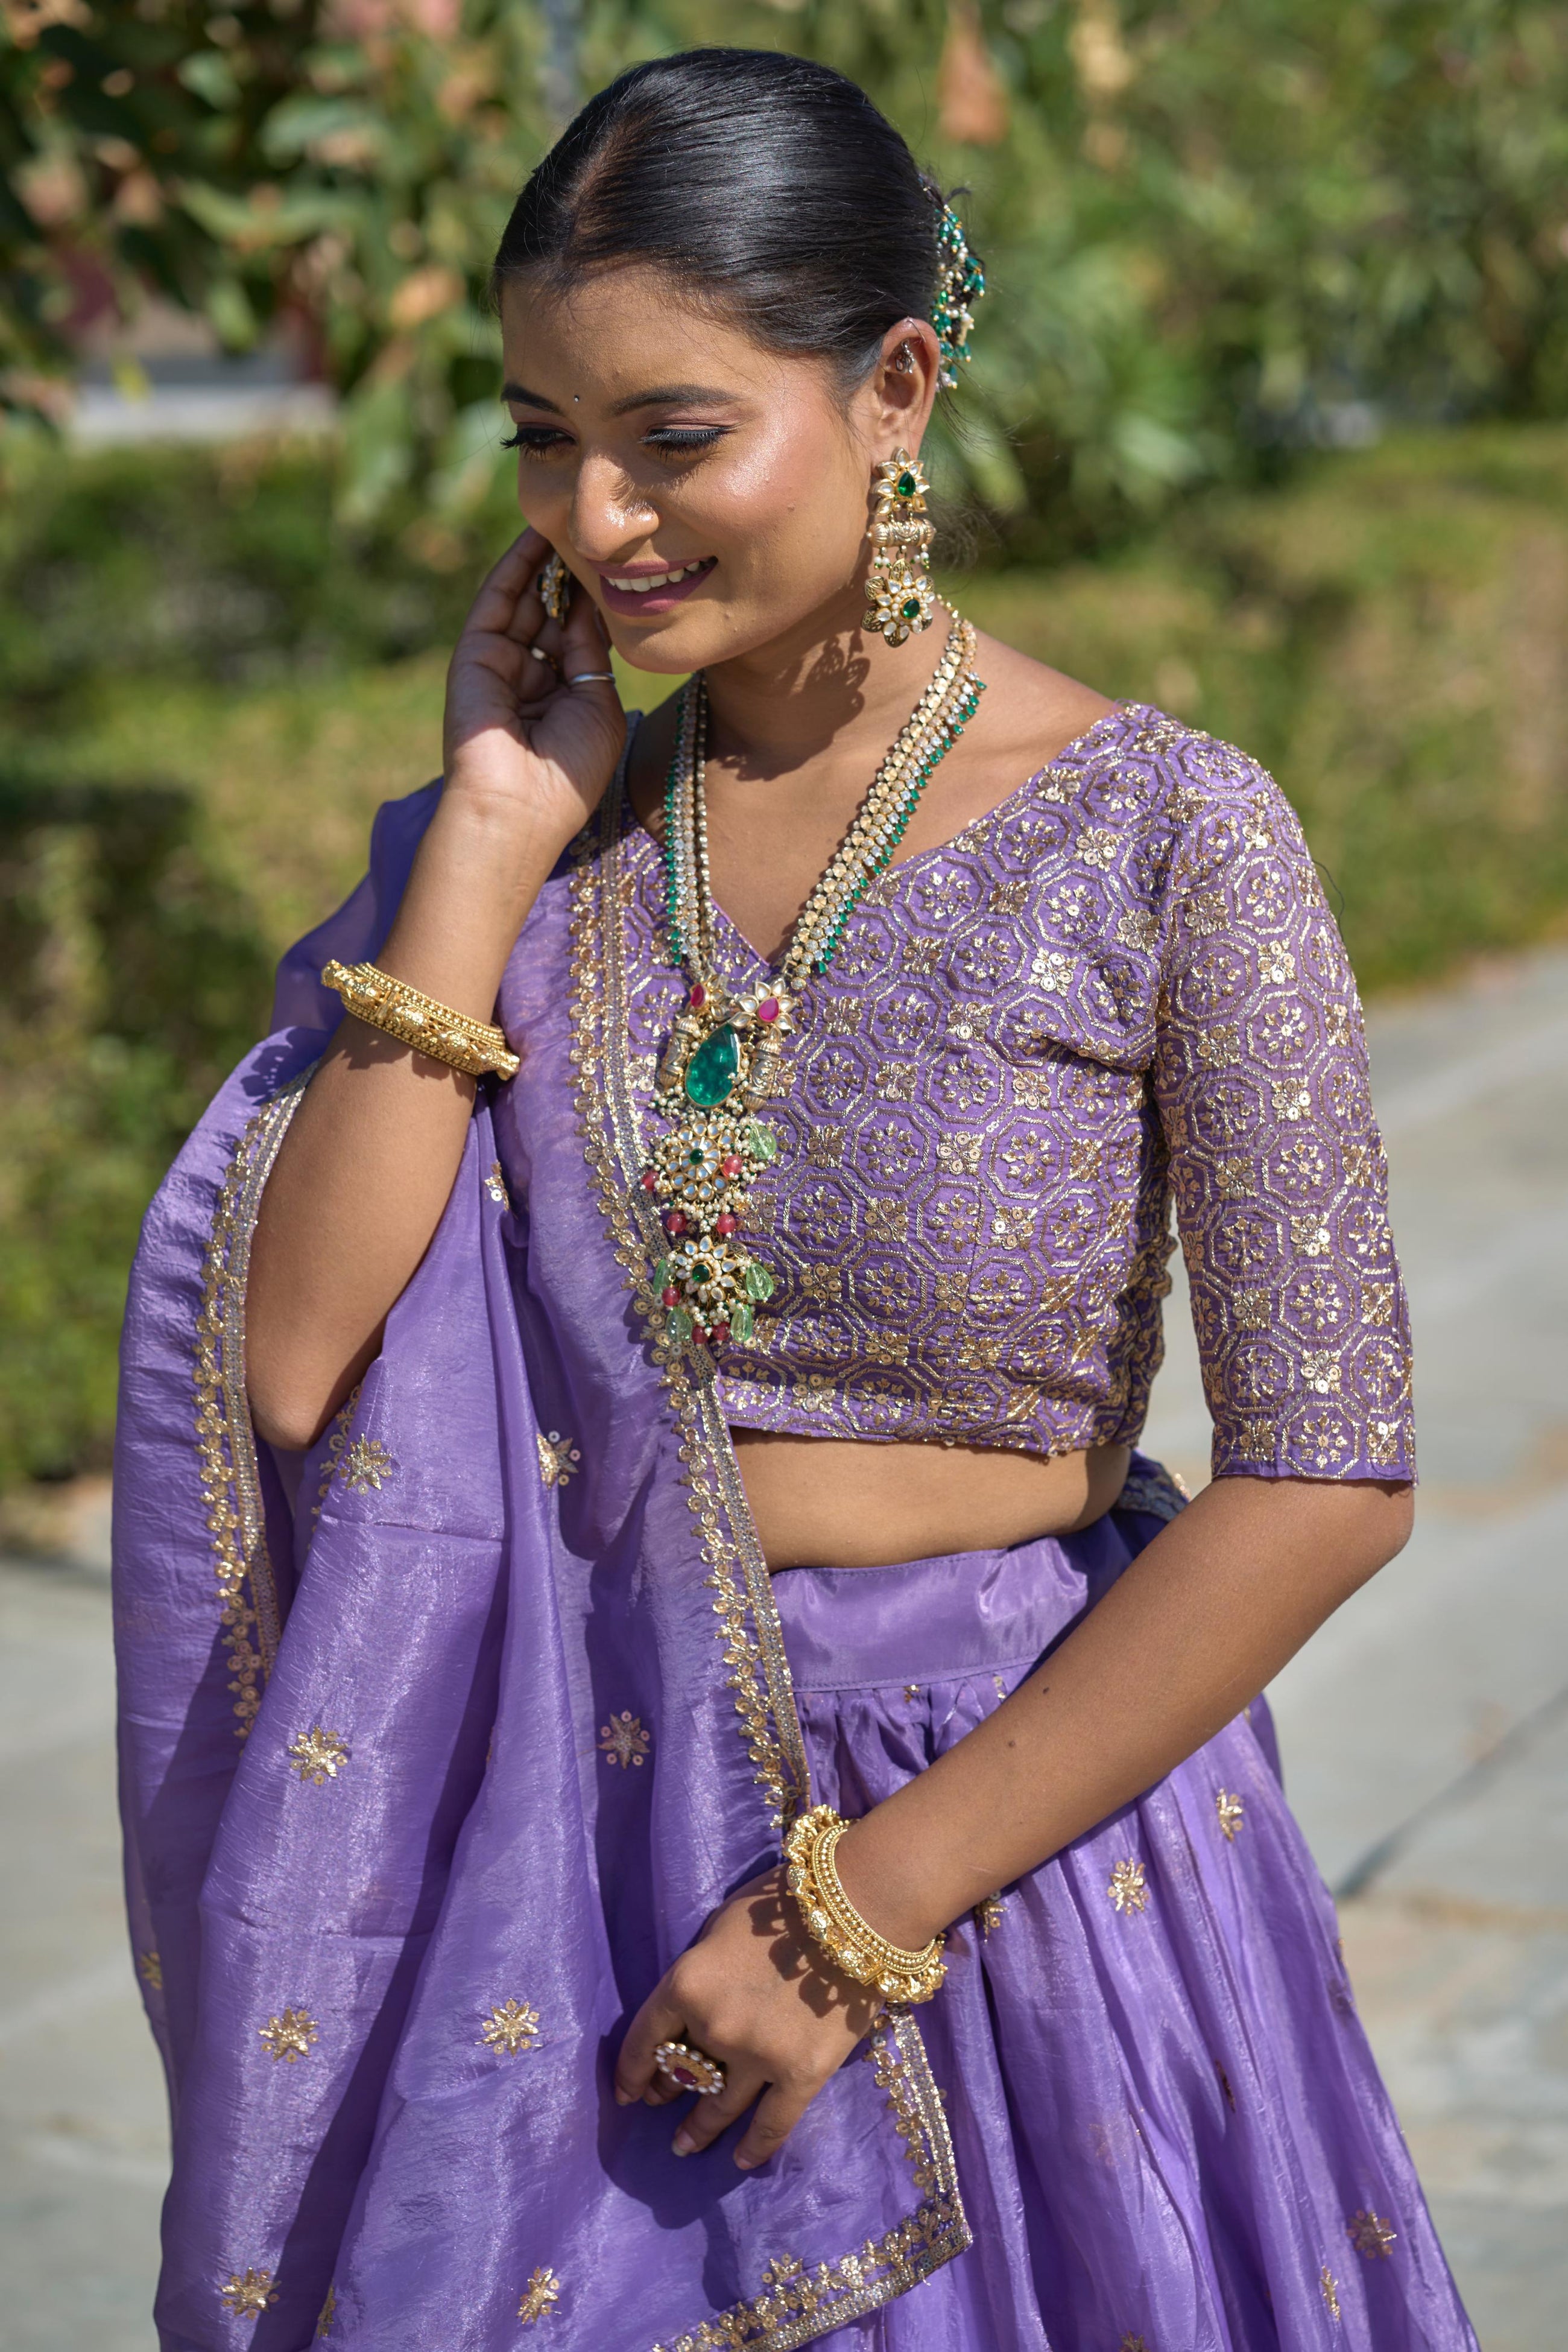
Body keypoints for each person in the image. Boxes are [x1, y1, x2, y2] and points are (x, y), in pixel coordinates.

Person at [114, 46, 1477, 2352]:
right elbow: (298, 1364)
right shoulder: (544, 845)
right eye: (540, 437)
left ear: (896, 389)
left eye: (673, 435)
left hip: (999, 1857)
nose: (595, 518)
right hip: (565, 1830)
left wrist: (859, 1914)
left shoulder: (1169, 835)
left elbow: (1327, 1474)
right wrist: (486, 839)